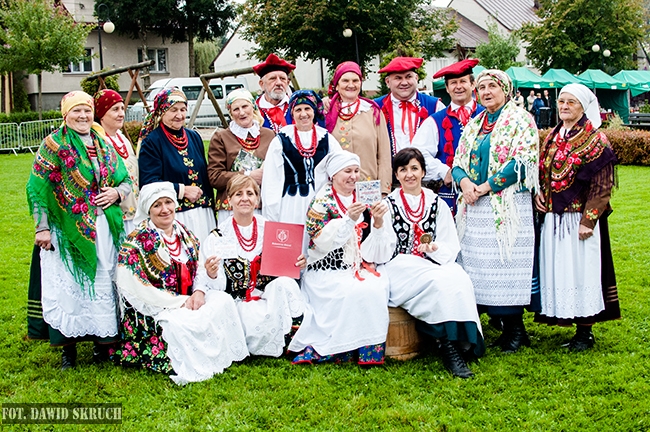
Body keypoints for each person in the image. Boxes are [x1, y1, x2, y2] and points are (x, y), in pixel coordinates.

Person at [26, 91, 131, 369]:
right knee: (71, 285)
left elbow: (125, 180)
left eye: (87, 110)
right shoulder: (53, 144)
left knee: (102, 282)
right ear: (66, 114)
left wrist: (117, 193)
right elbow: (37, 188)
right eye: (76, 111)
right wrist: (42, 228)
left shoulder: (103, 143)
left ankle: (101, 344)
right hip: (66, 228)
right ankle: (67, 350)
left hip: (103, 227)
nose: (83, 116)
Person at [361, 148, 484, 378]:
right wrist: (377, 224)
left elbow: (449, 244)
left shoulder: (437, 203)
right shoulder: (388, 205)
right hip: (399, 266)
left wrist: (435, 248)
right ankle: (449, 348)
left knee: (459, 277)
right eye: (403, 169)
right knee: (437, 282)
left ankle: (461, 341)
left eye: (414, 168)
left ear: (423, 172)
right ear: (396, 175)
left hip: (431, 263)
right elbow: (381, 253)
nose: (409, 174)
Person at [112, 182, 248, 384]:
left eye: (168, 202)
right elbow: (134, 288)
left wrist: (199, 291)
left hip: (189, 297)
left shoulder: (184, 233)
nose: (165, 209)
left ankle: (220, 354)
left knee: (223, 301)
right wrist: (179, 302)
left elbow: (199, 267)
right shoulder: (136, 241)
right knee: (177, 324)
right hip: (158, 306)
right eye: (157, 205)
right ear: (148, 209)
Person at [452, 69, 540, 353]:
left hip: (507, 205)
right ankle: (499, 324)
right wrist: (466, 184)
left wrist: (486, 186)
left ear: (506, 89)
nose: (486, 92)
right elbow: (458, 161)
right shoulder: (475, 123)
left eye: (493, 86)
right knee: (480, 265)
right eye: (482, 87)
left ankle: (516, 330)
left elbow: (522, 161)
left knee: (506, 263)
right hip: (475, 205)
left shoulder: (521, 119)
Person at [534, 83, 620, 351]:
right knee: (561, 269)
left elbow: (602, 185)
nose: (564, 106)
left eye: (571, 102)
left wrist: (588, 220)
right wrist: (540, 193)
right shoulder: (553, 135)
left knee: (583, 270)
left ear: (583, 107)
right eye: (561, 101)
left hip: (578, 218)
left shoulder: (595, 139)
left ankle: (585, 331)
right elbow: (544, 171)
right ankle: (566, 316)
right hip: (553, 217)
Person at [289, 151, 390, 365]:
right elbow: (321, 242)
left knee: (376, 288)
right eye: (347, 171)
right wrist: (348, 220)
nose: (353, 176)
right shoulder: (321, 202)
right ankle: (339, 348)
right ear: (333, 175)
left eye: (356, 171)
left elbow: (374, 248)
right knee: (348, 291)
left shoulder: (365, 198)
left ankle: (367, 351)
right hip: (326, 269)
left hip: (359, 266)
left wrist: (379, 222)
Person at [199, 175, 306, 356]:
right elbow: (216, 285)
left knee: (286, 283)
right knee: (246, 317)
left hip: (269, 298)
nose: (245, 198)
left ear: (257, 200)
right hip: (239, 302)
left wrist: (298, 264)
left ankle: (292, 336)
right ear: (229, 200)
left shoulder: (272, 230)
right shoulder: (218, 236)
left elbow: (287, 269)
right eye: (238, 194)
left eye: (250, 193)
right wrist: (212, 273)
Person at [138, 88, 216, 243]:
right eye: (173, 110)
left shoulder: (193, 137)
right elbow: (149, 183)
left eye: (183, 109)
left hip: (203, 214)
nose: (179, 115)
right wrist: (182, 190)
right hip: (176, 215)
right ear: (162, 111)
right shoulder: (152, 142)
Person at [411, 58, 485, 214]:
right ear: (447, 88)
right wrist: (443, 171)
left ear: (472, 85)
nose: (458, 86)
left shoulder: (487, 115)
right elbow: (417, 154)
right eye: (453, 83)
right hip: (450, 196)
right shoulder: (434, 121)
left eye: (463, 81)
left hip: (484, 193)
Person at [261, 90, 341, 226]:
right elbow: (272, 180)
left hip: (321, 204)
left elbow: (339, 171)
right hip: (290, 205)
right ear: (292, 113)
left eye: (307, 109)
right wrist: (272, 216)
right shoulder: (281, 140)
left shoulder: (327, 139)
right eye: (298, 110)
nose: (303, 114)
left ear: (314, 111)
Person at [207, 88, 275, 222]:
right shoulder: (221, 137)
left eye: (245, 106)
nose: (242, 112)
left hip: (262, 205)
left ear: (253, 107)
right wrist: (248, 175)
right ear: (231, 113)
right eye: (236, 109)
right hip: (231, 208)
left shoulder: (269, 135)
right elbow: (215, 177)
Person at [325, 61, 392, 194]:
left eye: (355, 80)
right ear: (337, 85)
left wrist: (384, 190)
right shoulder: (326, 112)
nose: (351, 85)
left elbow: (384, 155)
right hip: (336, 189)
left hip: (369, 188)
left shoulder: (373, 111)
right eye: (345, 81)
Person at [375, 56, 446, 155]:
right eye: (398, 78)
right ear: (388, 82)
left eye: (408, 77)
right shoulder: (374, 107)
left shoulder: (436, 106)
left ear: (416, 78)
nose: (404, 83)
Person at [94, 89, 139, 234]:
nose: (121, 114)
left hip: (133, 214)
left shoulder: (122, 138)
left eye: (122, 108)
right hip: (111, 215)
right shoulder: (97, 142)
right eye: (115, 109)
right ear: (101, 113)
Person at [253, 53, 296, 134]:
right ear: (262, 84)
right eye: (273, 78)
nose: (279, 83)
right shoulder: (253, 111)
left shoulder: (297, 105)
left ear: (287, 83)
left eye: (282, 78)